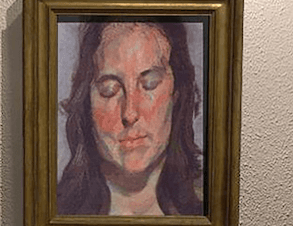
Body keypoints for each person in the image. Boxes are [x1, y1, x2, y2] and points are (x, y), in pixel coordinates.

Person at [57, 20, 203, 215]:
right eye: (109, 89)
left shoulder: (206, 212)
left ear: (176, 95)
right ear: (86, 103)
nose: (130, 113)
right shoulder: (56, 213)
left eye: (149, 84)